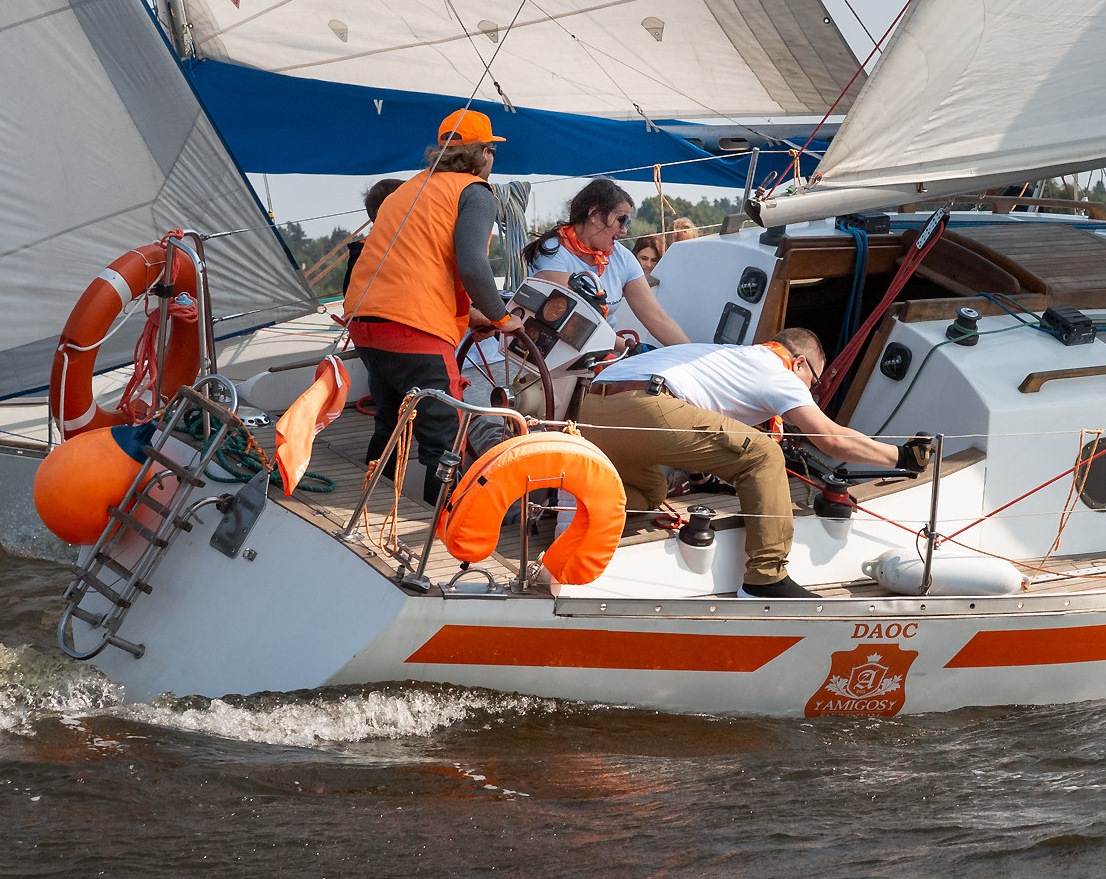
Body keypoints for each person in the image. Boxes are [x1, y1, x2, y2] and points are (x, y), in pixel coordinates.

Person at [574, 327, 930, 598]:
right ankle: (766, 579)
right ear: (800, 362)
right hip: (647, 407)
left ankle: (560, 510)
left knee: (647, 492)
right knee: (762, 454)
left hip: (594, 406)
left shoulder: (732, 357)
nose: (811, 393)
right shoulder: (778, 370)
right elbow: (830, 438)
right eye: (814, 384)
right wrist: (901, 456)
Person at [340, 112, 518, 502]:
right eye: (491, 149)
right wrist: (502, 318)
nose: (492, 158)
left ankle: (370, 506)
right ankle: (441, 530)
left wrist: (471, 317)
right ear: (481, 154)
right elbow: (472, 264)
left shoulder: (408, 189)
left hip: (365, 324)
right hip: (413, 332)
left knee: (391, 423)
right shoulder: (475, 192)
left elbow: (415, 264)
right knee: (444, 437)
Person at [524, 179, 687, 346]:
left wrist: (692, 353)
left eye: (627, 223)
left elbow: (657, 318)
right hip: (553, 354)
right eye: (621, 220)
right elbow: (570, 321)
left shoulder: (623, 258)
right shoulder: (551, 252)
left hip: (602, 353)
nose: (624, 230)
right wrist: (627, 348)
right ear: (594, 214)